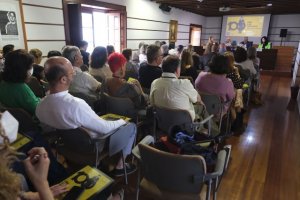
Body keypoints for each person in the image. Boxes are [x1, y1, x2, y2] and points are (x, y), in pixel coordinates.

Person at [36, 56, 137, 176]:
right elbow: (105, 128)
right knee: (131, 126)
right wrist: (121, 121)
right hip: (93, 145)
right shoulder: (76, 105)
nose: (74, 73)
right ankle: (120, 166)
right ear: (63, 79)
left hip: (65, 144)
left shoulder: (40, 105)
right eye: (71, 72)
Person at [150, 55, 203, 122]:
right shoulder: (184, 83)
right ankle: (211, 130)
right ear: (177, 70)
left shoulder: (155, 83)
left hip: (163, 123)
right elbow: (197, 100)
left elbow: (152, 103)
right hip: (184, 125)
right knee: (202, 106)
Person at [0, 50, 40, 115]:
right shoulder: (21, 88)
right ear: (23, 69)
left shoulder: (3, 83)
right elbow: (37, 109)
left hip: (12, 120)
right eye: (30, 66)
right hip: (29, 122)